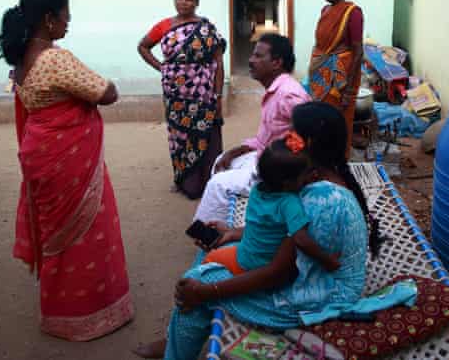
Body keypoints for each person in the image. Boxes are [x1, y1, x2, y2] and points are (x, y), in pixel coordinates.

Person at [135, 102, 383, 360]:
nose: (286, 138)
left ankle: (177, 350)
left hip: (322, 295)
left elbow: (278, 273)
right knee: (211, 257)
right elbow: (280, 231)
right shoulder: (315, 176)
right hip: (308, 274)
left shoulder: (319, 199)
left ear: (308, 142)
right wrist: (232, 233)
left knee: (199, 283)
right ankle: (180, 340)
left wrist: (209, 292)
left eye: (293, 134)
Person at [0, 0, 134, 341]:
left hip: (41, 153)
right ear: (49, 19)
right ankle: (92, 314)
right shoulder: (55, 58)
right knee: (88, 231)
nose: (69, 21)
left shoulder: (22, 57)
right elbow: (107, 93)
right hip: (69, 162)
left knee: (58, 235)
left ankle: (59, 313)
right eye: (65, 14)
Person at [192, 33, 310, 224]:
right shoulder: (276, 90)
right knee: (221, 161)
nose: (250, 60)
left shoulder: (289, 95)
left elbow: (305, 142)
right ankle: (225, 224)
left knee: (217, 185)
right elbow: (263, 140)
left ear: (276, 63)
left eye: (258, 56)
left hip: (278, 170)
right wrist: (234, 152)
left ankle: (208, 237)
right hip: (265, 157)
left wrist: (276, 168)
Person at [138, 0, 226, 199]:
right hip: (175, 95)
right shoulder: (164, 26)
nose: (184, 3)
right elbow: (143, 46)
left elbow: (219, 63)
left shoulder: (206, 27)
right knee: (179, 135)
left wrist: (218, 94)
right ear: (174, 0)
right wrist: (162, 67)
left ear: (196, 2)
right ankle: (184, 180)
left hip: (203, 92)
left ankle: (209, 180)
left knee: (207, 132)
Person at [203, 135, 340, 275]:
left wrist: (231, 233)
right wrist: (329, 261)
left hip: (245, 257)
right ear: (288, 183)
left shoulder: (257, 191)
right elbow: (301, 240)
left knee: (207, 259)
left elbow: (261, 227)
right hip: (266, 268)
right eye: (305, 175)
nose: (311, 177)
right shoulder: (290, 203)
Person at [308, 0, 364, 152]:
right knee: (319, 123)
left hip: (339, 83)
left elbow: (358, 52)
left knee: (337, 124)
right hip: (320, 78)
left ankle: (338, 165)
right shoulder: (325, 11)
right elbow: (321, 47)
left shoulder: (353, 13)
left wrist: (348, 90)